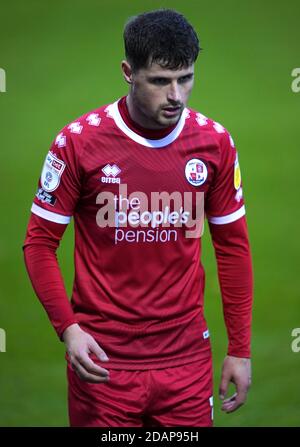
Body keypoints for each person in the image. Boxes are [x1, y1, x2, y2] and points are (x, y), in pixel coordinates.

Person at [23, 9, 253, 427]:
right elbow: (39, 243)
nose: (177, 96)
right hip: (103, 361)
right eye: (161, 81)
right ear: (128, 72)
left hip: (186, 360)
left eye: (185, 78)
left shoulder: (214, 143)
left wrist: (239, 348)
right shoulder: (77, 144)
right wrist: (68, 328)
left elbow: (233, 247)